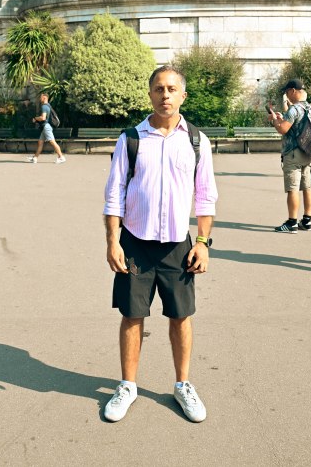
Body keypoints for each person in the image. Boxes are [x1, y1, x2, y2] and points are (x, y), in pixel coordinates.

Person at [102, 65, 218, 423]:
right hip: (135, 243)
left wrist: (203, 242)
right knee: (131, 315)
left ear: (183, 95)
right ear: (150, 94)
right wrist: (112, 241)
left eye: (171, 89)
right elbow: (114, 194)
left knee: (181, 316)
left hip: (177, 247)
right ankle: (127, 386)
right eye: (158, 89)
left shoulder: (196, 140)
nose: (165, 95)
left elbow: (206, 196)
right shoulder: (131, 139)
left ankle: (183, 385)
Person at [267, 79, 311, 233]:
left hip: (293, 153)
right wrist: (282, 118)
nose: (287, 94)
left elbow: (283, 129)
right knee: (308, 187)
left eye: (287, 91)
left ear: (293, 91)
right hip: (307, 152)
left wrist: (275, 120)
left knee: (293, 188)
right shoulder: (309, 108)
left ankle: (292, 222)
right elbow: (295, 126)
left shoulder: (294, 109)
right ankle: (307, 221)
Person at [26, 93, 65, 164]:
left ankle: (61, 157)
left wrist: (35, 118)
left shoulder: (44, 106)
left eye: (41, 97)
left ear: (44, 98)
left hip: (46, 127)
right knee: (40, 142)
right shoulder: (48, 106)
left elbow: (43, 118)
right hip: (45, 127)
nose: (40, 99)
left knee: (52, 142)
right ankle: (35, 158)